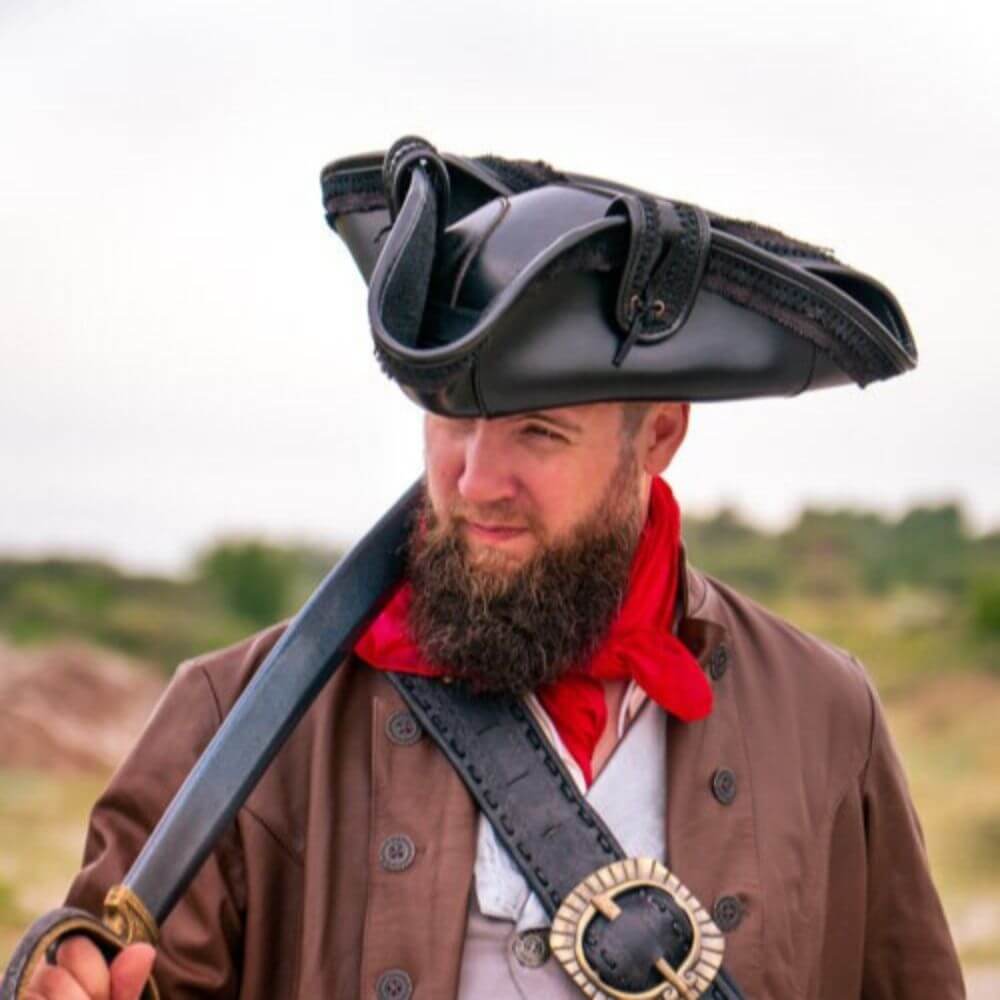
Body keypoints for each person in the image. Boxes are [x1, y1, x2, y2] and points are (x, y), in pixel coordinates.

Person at [20, 139, 964, 999]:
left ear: (660, 436)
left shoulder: (822, 712)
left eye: (537, 434)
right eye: (450, 421)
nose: (475, 480)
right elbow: (107, 961)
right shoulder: (239, 713)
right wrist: (60, 979)